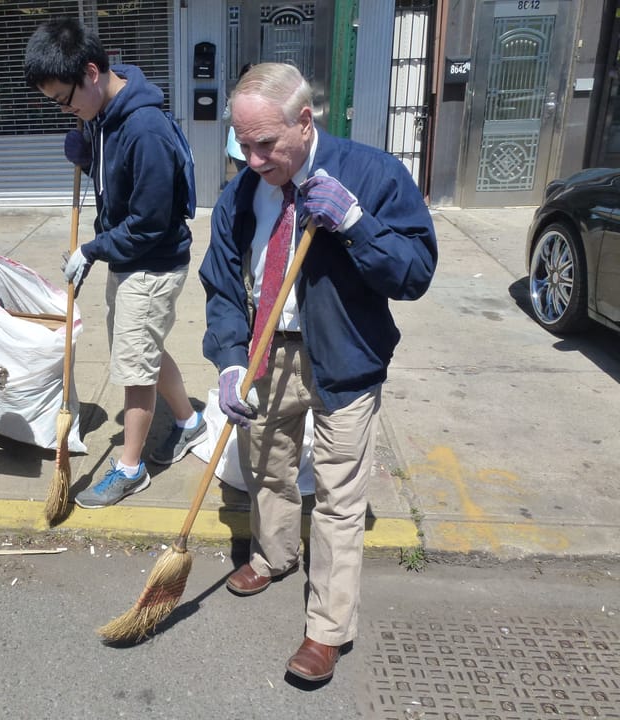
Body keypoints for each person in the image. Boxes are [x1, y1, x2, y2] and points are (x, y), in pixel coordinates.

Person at [200, 63, 437, 683]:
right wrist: (229, 359)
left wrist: (358, 226)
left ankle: (326, 629)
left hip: (345, 355)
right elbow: (223, 281)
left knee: (337, 496)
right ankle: (274, 554)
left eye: (265, 144)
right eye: (241, 144)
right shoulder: (244, 190)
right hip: (264, 350)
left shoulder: (372, 174)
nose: (251, 159)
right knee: (267, 464)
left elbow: (413, 273)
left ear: (305, 122)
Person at [23, 17, 205, 509]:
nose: (66, 109)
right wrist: (88, 153)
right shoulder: (102, 110)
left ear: (92, 72)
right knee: (141, 352)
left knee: (133, 370)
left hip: (151, 264)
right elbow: (116, 180)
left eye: (65, 99)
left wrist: (92, 249)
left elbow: (148, 222)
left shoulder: (144, 129)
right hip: (129, 260)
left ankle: (130, 468)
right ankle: (190, 422)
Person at [224, 63, 254, 173]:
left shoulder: (262, 96)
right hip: (239, 148)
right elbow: (226, 119)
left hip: (254, 148)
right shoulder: (236, 97)